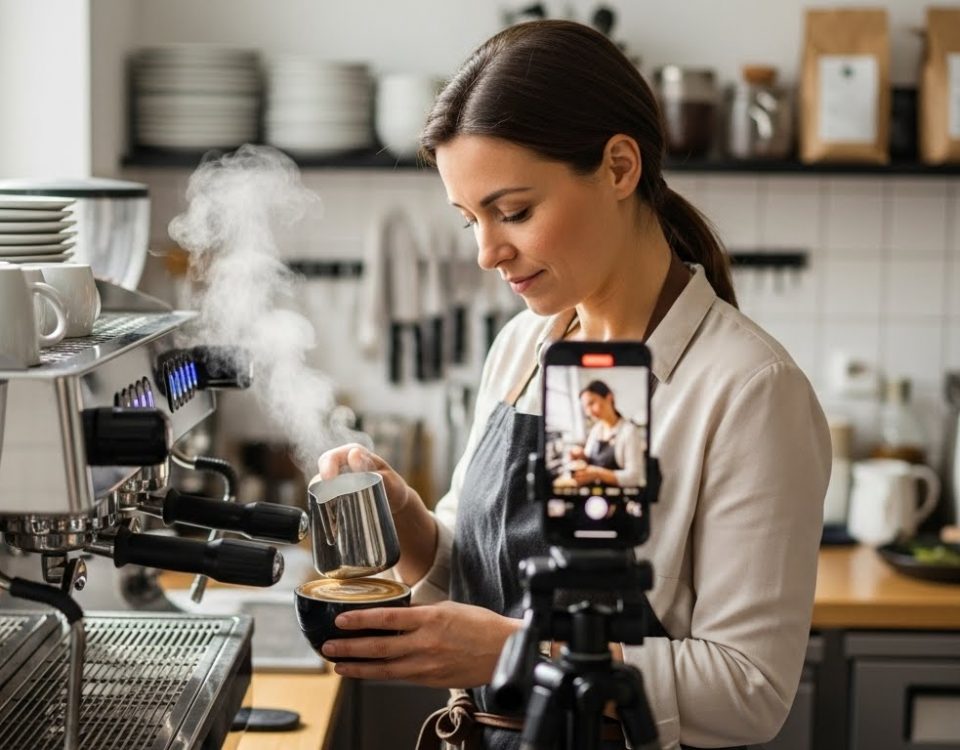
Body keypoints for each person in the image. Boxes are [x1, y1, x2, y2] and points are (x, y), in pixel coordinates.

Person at [316, 19, 831, 750]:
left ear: (619, 167)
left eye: (514, 212)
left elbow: (749, 691)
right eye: (469, 220)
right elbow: (486, 579)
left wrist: (515, 653)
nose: (488, 253)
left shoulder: (749, 389)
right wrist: (411, 528)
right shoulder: (523, 347)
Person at [569, 379, 646, 488]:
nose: (589, 412)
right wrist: (581, 455)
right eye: (585, 407)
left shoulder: (629, 431)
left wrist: (598, 474)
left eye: (591, 403)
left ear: (609, 398)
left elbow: (634, 477)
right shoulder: (596, 430)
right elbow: (589, 458)